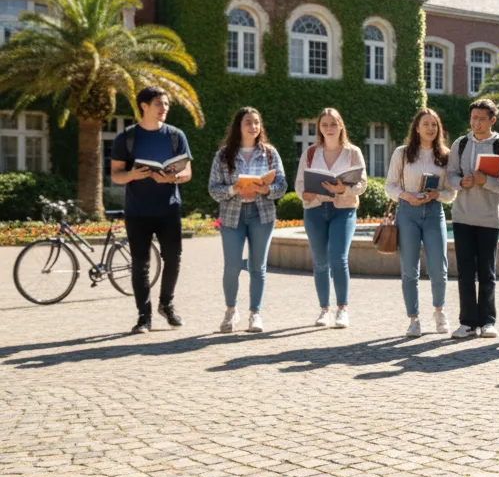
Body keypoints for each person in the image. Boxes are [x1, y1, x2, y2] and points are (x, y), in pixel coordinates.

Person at [109, 87, 193, 334]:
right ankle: (143, 317)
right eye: (159, 103)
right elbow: (115, 175)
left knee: (174, 260)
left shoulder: (176, 136)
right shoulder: (127, 138)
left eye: (166, 104)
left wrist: (172, 178)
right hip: (138, 211)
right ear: (143, 106)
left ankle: (166, 304)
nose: (164, 108)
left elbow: (187, 172)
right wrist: (132, 174)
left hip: (169, 210)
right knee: (140, 264)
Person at [208, 107, 287, 333]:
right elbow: (214, 189)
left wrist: (265, 189)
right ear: (238, 126)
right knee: (232, 266)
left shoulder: (270, 153)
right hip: (233, 216)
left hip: (262, 215)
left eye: (256, 122)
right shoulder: (223, 155)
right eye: (248, 123)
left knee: (257, 267)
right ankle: (231, 312)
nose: (253, 127)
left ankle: (255, 313)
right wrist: (234, 189)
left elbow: (281, 185)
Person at [446, 98, 499, 339]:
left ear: (492, 121)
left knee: (487, 272)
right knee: (465, 271)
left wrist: (487, 182)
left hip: (489, 218)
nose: (476, 123)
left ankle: (488, 321)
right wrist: (460, 182)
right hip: (462, 216)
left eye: (481, 119)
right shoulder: (460, 144)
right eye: (473, 118)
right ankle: (467, 322)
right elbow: (450, 175)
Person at [295, 108, 368, 329]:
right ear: (319, 127)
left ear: (340, 126)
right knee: (319, 262)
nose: (329, 128)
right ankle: (324, 310)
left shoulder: (352, 152)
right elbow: (299, 184)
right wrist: (304, 194)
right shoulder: (310, 153)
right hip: (315, 210)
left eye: (333, 124)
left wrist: (342, 189)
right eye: (325, 124)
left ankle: (342, 309)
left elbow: (362, 184)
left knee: (339, 258)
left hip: (343, 210)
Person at [385, 108, 455, 337]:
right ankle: (414, 319)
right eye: (426, 124)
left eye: (434, 124)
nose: (430, 128)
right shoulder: (402, 153)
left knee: (439, 267)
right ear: (417, 128)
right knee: (409, 269)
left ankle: (439, 311)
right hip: (407, 213)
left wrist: (437, 195)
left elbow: (450, 192)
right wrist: (407, 196)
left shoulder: (445, 155)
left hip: (434, 212)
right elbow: (390, 186)